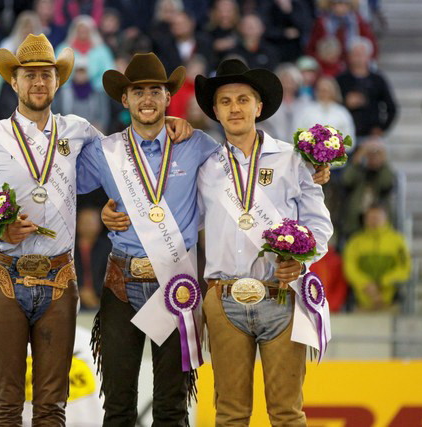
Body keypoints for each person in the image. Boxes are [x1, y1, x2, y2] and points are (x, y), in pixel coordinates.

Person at [0, 33, 193, 425]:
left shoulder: (78, 130)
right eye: (29, 75)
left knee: (51, 405)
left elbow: (126, 153)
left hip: (59, 278)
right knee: (4, 402)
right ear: (14, 82)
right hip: (4, 274)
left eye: (46, 74)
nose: (38, 83)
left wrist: (167, 123)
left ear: (57, 81)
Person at [101, 59, 332, 426]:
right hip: (223, 300)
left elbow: (320, 224)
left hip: (282, 294)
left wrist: (302, 261)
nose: (235, 108)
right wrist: (109, 214)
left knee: (288, 414)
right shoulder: (203, 161)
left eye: (243, 99)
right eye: (225, 101)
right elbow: (165, 203)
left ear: (259, 107)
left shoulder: (293, 160)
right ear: (214, 110)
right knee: (229, 415)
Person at [76, 52, 219, 425]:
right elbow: (55, 182)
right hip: (121, 283)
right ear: (124, 100)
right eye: (137, 91)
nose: (147, 99)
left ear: (168, 97)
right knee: (118, 406)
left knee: (172, 408)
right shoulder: (103, 151)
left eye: (155, 90)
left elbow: (242, 176)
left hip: (176, 282)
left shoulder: (198, 144)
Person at [343, 204, 411, 311]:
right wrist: (366, 285)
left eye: (377, 217)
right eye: (370, 217)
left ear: (386, 218)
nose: (374, 220)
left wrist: (383, 282)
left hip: (390, 303)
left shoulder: (398, 241)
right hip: (361, 304)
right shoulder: (355, 241)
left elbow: (404, 268)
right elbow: (349, 268)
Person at [336, 37, 397, 142]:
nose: (358, 58)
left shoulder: (377, 80)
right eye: (355, 54)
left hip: (370, 135)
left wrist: (382, 128)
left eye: (361, 54)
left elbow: (391, 107)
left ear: (369, 56)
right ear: (349, 56)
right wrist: (345, 102)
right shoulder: (341, 79)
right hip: (344, 134)